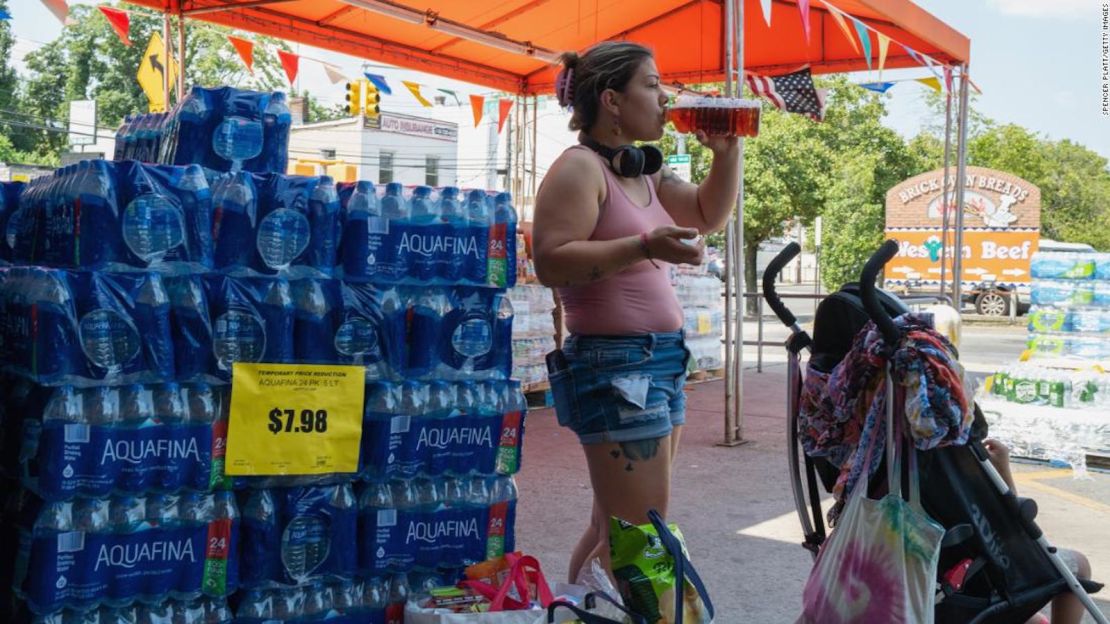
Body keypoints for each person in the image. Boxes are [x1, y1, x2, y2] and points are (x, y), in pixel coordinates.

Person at [532, 40, 740, 582]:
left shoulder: (642, 170)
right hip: (618, 368)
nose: (665, 97)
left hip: (657, 363)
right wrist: (645, 246)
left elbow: (706, 213)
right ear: (613, 101)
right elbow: (552, 262)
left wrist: (727, 152)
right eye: (651, 85)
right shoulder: (579, 170)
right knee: (639, 534)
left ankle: (574, 609)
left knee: (614, 529)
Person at [983, 439, 1094, 624]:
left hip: (935, 580)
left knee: (1035, 620)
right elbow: (1013, 526)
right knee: (1079, 564)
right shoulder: (960, 460)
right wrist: (1002, 469)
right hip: (985, 576)